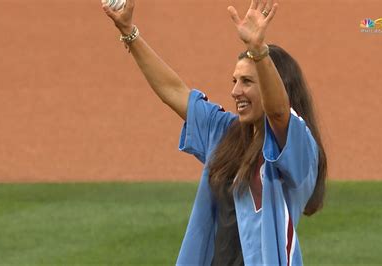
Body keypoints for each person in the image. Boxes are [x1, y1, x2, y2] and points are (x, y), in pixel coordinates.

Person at [103, 0, 327, 265]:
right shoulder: (225, 132)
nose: (235, 91)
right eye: (234, 81)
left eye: (247, 82)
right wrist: (130, 32)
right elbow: (174, 91)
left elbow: (278, 113)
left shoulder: (296, 146)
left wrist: (258, 50)